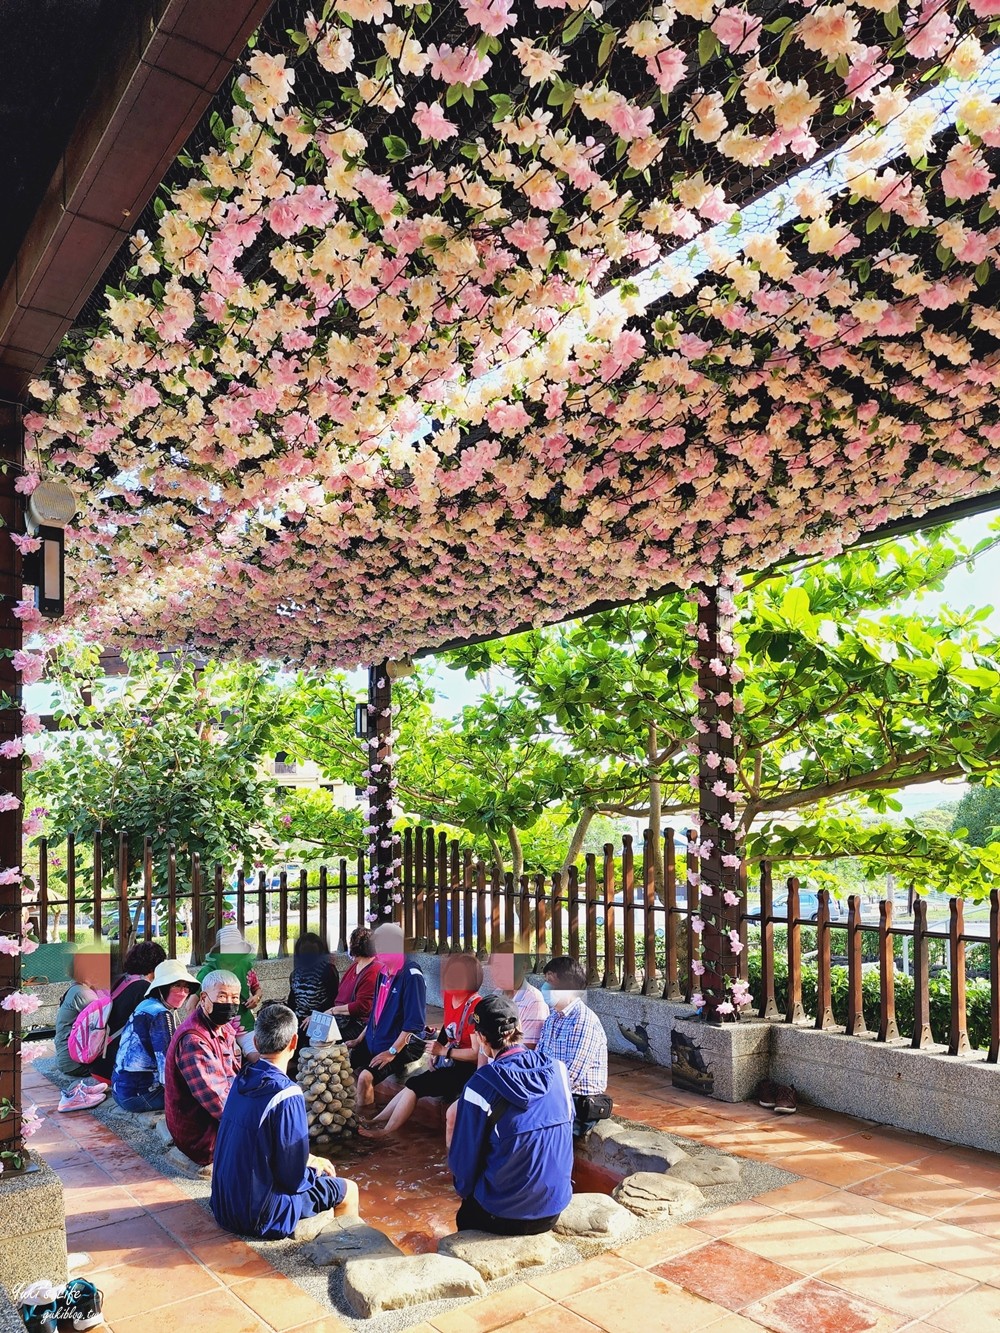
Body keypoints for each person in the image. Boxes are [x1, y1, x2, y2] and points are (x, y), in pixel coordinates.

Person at [211, 1002, 359, 1238]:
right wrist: (313, 1170)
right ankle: (344, 1245)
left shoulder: (241, 1079)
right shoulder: (286, 1094)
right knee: (349, 1190)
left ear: (256, 1043)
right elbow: (293, 1180)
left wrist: (309, 1158)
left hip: (223, 1206)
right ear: (294, 1042)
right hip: (259, 1216)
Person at [449, 994, 573, 1236]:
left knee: (465, 1216)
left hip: (502, 1215)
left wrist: (466, 1191)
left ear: (482, 1038)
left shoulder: (479, 1086)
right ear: (519, 1028)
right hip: (554, 1207)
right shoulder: (559, 1071)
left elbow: (463, 1166)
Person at [360, 954, 482, 1139]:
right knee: (412, 1084)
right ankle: (376, 1119)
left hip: (468, 1070)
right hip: (451, 1061)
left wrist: (444, 1051)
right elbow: (446, 1029)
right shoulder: (450, 997)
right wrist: (437, 1052)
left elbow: (476, 1054)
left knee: (415, 1086)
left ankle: (385, 1131)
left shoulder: (476, 1007)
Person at [163, 969, 242, 1170]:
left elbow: (235, 1075)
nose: (229, 1003)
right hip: (202, 1137)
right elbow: (221, 1105)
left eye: (234, 998)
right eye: (222, 996)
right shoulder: (194, 1040)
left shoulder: (224, 1027)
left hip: (213, 1122)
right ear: (204, 999)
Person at [347, 923, 426, 1112]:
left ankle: (366, 1122)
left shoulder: (411, 975)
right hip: (377, 1039)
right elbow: (376, 1012)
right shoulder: (382, 972)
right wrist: (359, 1039)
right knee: (343, 1062)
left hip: (402, 1045)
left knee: (366, 1077)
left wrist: (391, 1052)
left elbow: (413, 1025)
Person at [112, 959, 200, 1112]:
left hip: (120, 1091)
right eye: (176, 986)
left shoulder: (145, 1005)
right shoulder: (161, 1014)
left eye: (186, 988)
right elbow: (166, 1064)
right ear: (163, 987)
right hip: (138, 1095)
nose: (183, 992)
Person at [536, 956, 611, 1136]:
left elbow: (570, 1076)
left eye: (550, 982)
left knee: (532, 1130)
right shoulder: (553, 1018)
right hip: (551, 1094)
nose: (544, 988)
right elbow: (538, 1059)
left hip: (576, 1102)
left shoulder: (584, 1021)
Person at [89, 940, 167, 1082]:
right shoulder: (144, 989)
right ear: (157, 965)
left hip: (100, 1063)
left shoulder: (123, 981)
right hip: (115, 1069)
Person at [198, 925, 262, 1056]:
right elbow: (191, 1005)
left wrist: (256, 998)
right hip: (216, 1028)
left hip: (245, 1024)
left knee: (258, 1057)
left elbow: (257, 989)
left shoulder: (246, 965)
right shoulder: (207, 972)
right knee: (232, 1059)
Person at [324, 925, 378, 1042]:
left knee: (325, 1039)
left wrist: (333, 1011)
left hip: (359, 1024)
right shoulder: (355, 965)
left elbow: (363, 1006)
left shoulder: (374, 970)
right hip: (342, 1018)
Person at [286, 932, 340, 1040]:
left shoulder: (327, 970)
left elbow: (332, 999)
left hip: (321, 1020)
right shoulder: (296, 974)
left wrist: (316, 1017)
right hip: (299, 1020)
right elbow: (292, 1000)